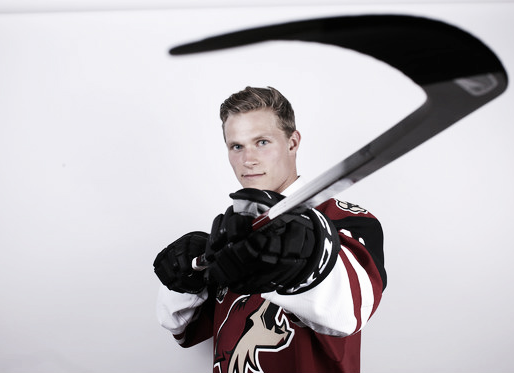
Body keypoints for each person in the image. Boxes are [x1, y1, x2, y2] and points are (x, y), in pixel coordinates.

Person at [153, 86, 387, 373]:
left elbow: (352, 310)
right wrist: (183, 279)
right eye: (236, 146)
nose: (247, 159)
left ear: (292, 142)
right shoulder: (229, 238)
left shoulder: (344, 220)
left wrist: (300, 255)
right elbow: (185, 333)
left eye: (262, 142)